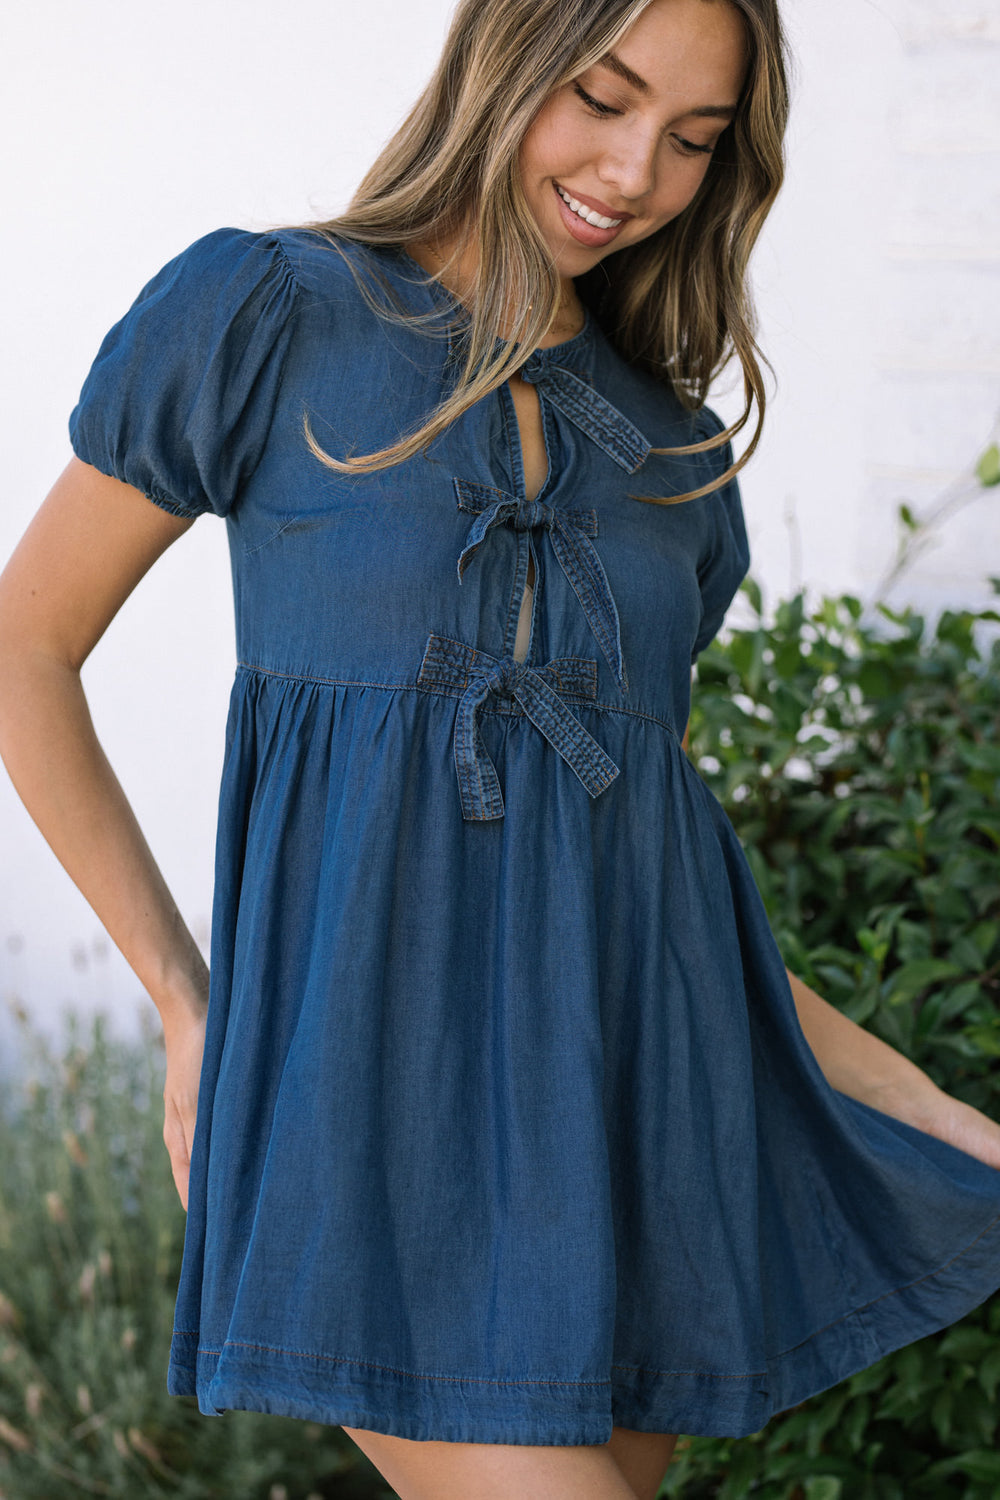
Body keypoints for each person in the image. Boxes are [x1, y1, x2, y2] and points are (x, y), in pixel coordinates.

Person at [1, 0, 999, 1496]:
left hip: (617, 1144)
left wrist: (929, 1111)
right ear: (507, 59)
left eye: (694, 140)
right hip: (355, 1126)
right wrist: (184, 999)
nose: (636, 168)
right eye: (602, 98)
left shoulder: (674, 459)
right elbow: (25, 649)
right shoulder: (265, 313)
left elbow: (657, 886)